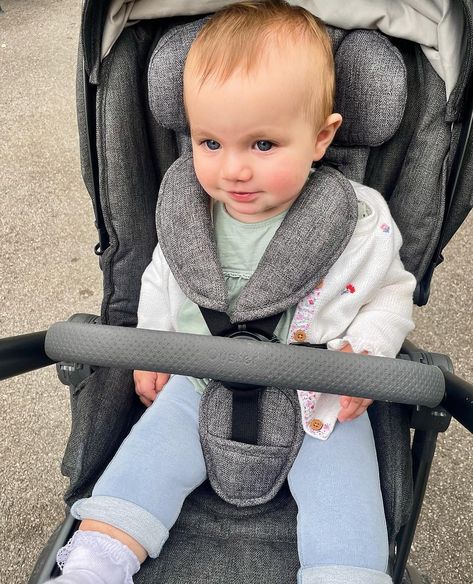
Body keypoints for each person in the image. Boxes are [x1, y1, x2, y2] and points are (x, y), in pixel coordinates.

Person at [48, 1, 416, 583]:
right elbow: (162, 278)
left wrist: (364, 354)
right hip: (200, 377)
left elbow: (393, 294)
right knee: (144, 465)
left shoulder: (358, 220)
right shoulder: (189, 215)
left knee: (347, 504)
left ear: (322, 138)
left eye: (263, 145)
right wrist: (152, 347)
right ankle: (98, 559)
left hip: (318, 390)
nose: (233, 171)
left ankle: (344, 572)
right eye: (210, 143)